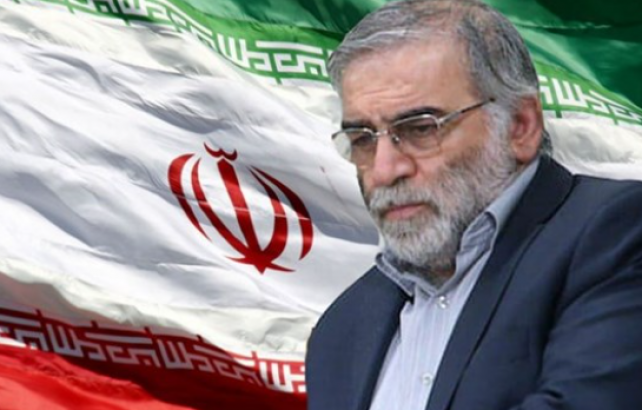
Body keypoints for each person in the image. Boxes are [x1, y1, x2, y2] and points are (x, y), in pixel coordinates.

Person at [305, 0, 642, 409]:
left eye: (420, 129)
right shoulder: (340, 331)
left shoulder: (618, 234)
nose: (384, 170)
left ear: (520, 126)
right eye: (362, 139)